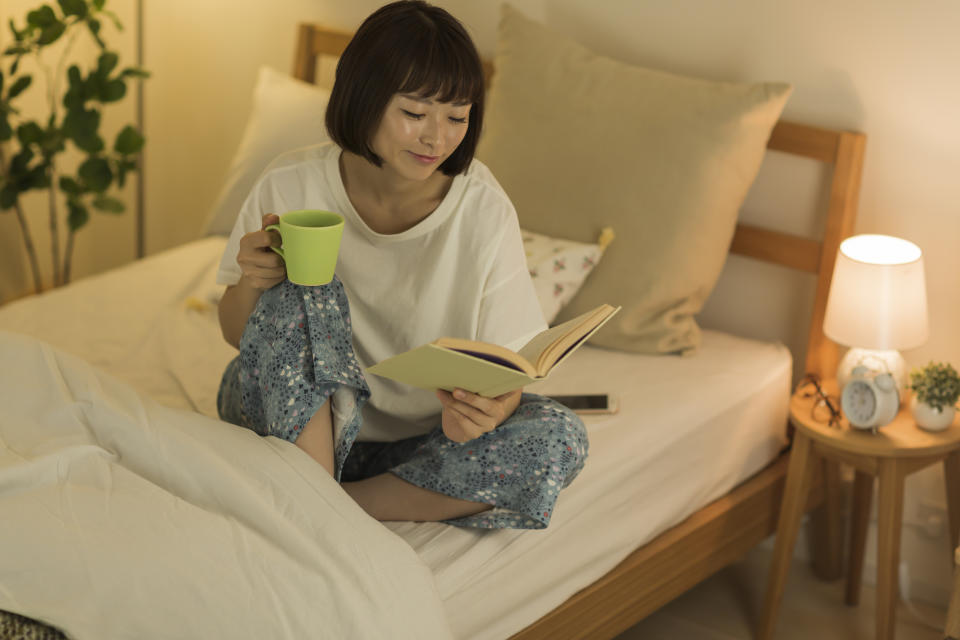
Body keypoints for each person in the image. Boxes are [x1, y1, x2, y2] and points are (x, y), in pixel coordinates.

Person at [215, 0, 587, 529]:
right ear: (363, 99)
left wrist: (487, 412)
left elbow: (508, 368)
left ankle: (331, 505)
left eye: (457, 117)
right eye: (415, 114)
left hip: (416, 445)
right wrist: (254, 281)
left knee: (558, 437)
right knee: (298, 292)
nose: (437, 138)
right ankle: (315, 485)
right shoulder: (289, 185)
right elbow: (237, 335)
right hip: (288, 418)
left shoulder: (481, 209)